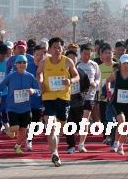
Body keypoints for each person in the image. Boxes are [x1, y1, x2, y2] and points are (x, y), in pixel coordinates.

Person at [36, 37, 79, 167]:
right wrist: (41, 82)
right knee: (51, 125)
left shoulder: (68, 61)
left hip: (63, 98)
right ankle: (55, 152)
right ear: (50, 49)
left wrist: (70, 81)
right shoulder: (44, 62)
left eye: (59, 47)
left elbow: (76, 76)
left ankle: (56, 142)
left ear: (63, 48)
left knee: (61, 125)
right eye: (54, 47)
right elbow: (39, 74)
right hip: (48, 97)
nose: (56, 49)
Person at [0, 55, 40, 154]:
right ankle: (10, 130)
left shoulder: (30, 76)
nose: (22, 64)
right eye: (19, 62)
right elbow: (1, 86)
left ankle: (17, 146)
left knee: (23, 130)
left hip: (26, 108)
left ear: (27, 64)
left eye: (24, 62)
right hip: (13, 107)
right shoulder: (11, 76)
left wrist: (33, 91)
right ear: (16, 64)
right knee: (16, 128)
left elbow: (38, 90)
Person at [77, 43, 101, 152]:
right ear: (80, 53)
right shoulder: (77, 64)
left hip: (90, 96)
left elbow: (98, 78)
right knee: (77, 119)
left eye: (89, 53)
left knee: (85, 120)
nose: (86, 55)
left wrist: (95, 83)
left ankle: (81, 144)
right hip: (77, 96)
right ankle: (73, 141)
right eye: (84, 53)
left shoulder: (94, 65)